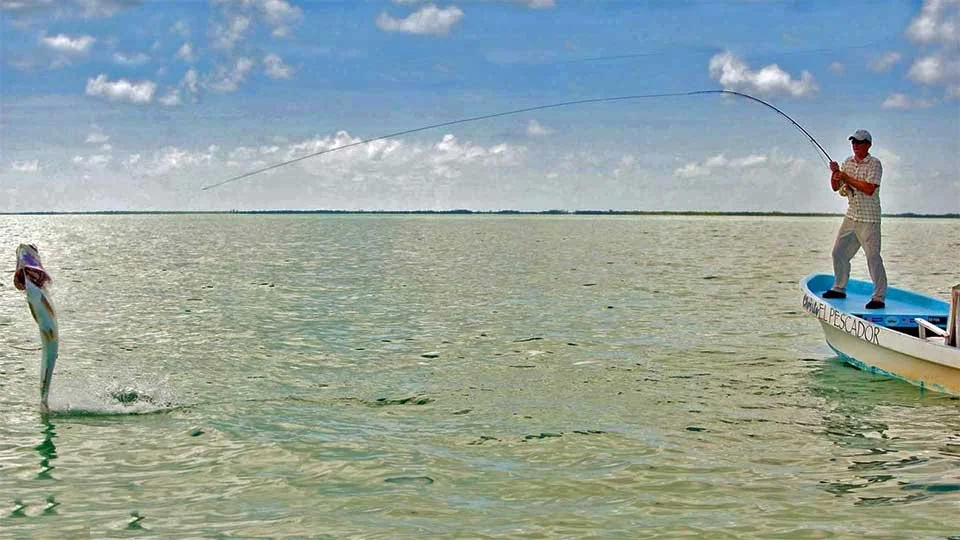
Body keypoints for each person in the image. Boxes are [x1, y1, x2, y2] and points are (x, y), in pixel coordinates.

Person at [823, 129, 887, 309]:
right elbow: (836, 187)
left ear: (868, 144)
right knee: (838, 252)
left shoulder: (875, 164)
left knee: (873, 257)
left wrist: (846, 177)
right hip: (851, 216)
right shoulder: (847, 163)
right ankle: (839, 287)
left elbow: (869, 189)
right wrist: (835, 173)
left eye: (859, 142)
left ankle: (879, 297)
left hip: (869, 218)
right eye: (853, 142)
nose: (856, 146)